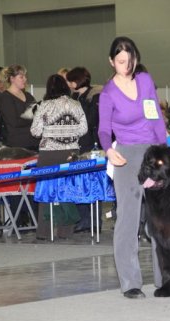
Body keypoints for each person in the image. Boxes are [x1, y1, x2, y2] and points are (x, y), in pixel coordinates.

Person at [98, 36, 167, 299]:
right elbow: (104, 130)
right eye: (121, 61)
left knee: (160, 218)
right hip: (125, 156)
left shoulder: (145, 80)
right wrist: (109, 150)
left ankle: (166, 278)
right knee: (128, 219)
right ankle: (130, 282)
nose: (126, 66)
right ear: (111, 62)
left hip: (153, 152)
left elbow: (156, 117)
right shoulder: (108, 93)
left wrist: (164, 152)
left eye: (130, 60)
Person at [30, 74, 87, 240]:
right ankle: (65, 231)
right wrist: (70, 134)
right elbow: (83, 129)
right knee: (67, 192)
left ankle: (44, 232)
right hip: (71, 153)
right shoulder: (76, 104)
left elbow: (35, 131)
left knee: (45, 192)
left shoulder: (44, 106)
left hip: (49, 153)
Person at [66, 66, 104, 233]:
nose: (68, 84)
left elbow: (91, 120)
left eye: (70, 81)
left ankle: (95, 220)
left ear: (75, 82)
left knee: (94, 184)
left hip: (92, 144)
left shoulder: (95, 96)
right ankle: (84, 219)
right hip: (77, 144)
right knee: (78, 183)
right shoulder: (74, 97)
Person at [0, 64, 39, 151]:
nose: (25, 79)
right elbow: (14, 122)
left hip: (34, 143)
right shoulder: (6, 97)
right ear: (12, 79)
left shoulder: (28, 96)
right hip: (17, 146)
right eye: (21, 77)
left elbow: (38, 116)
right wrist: (32, 118)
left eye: (25, 76)